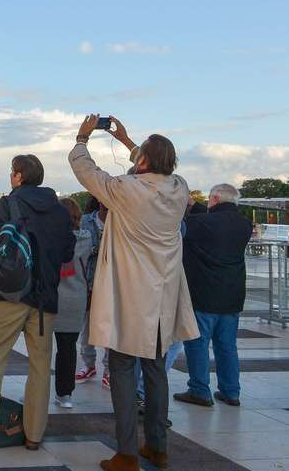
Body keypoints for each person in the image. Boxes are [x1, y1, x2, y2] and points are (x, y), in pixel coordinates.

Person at [69, 115, 199, 471]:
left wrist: (82, 137)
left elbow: (86, 171)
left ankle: (127, 452)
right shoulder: (180, 189)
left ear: (142, 162)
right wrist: (128, 142)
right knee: (156, 374)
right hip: (162, 298)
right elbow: (154, 166)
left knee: (123, 372)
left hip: (130, 297)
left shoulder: (127, 191)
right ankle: (157, 446)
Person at [0, 155, 74, 450]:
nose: (11, 176)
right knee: (39, 366)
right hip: (45, 298)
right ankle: (34, 435)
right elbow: (66, 254)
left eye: (12, 172)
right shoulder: (60, 210)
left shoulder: (10, 203)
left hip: (10, 295)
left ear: (20, 176)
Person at [175, 183, 253, 408]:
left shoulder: (200, 224)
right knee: (227, 345)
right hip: (233, 296)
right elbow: (211, 221)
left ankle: (199, 390)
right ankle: (231, 391)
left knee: (198, 344)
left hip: (204, 294)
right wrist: (196, 204)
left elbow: (192, 226)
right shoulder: (244, 225)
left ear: (215, 199)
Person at [53, 197, 93, 409]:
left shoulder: (51, 238)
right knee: (68, 349)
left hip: (51, 296)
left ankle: (37, 392)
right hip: (76, 297)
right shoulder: (86, 240)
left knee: (40, 350)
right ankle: (65, 394)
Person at [76, 197, 110, 387]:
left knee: (109, 327)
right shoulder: (86, 220)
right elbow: (78, 248)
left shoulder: (120, 221)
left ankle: (108, 369)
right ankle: (89, 364)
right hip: (87, 281)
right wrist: (97, 249)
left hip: (110, 282)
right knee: (87, 326)